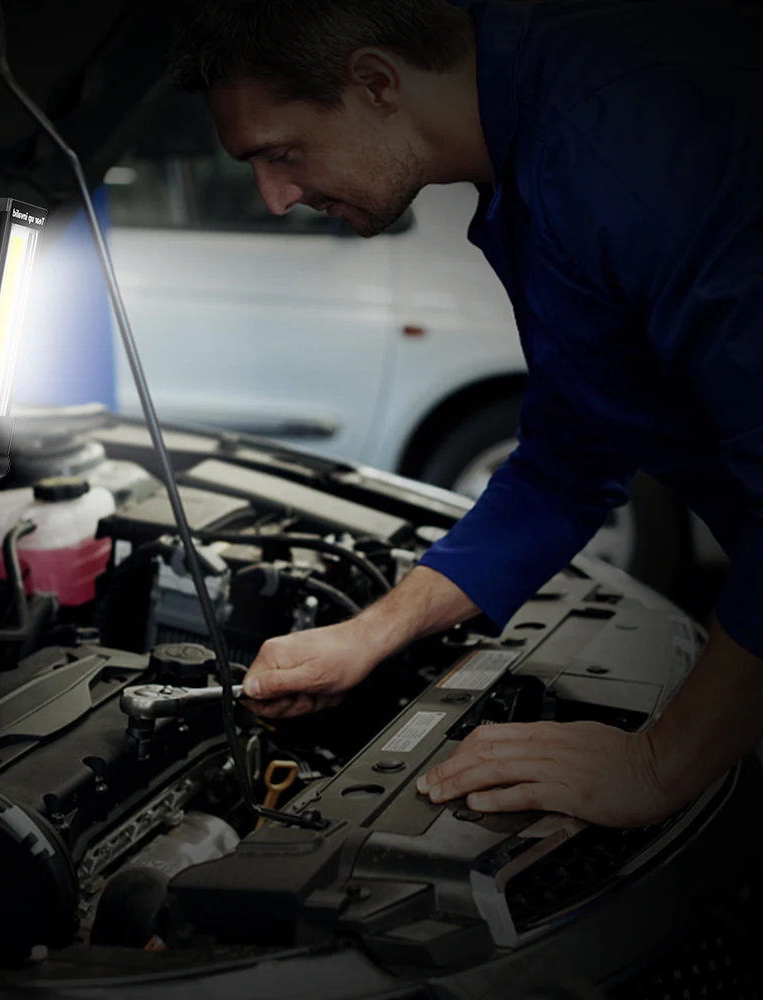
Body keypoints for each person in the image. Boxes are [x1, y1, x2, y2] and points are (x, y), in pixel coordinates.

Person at [166, 0, 763, 828]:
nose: (274, 197)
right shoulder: (538, 160)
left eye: (282, 153)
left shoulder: (632, 137)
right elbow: (563, 469)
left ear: (377, 83)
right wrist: (371, 634)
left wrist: (661, 764)